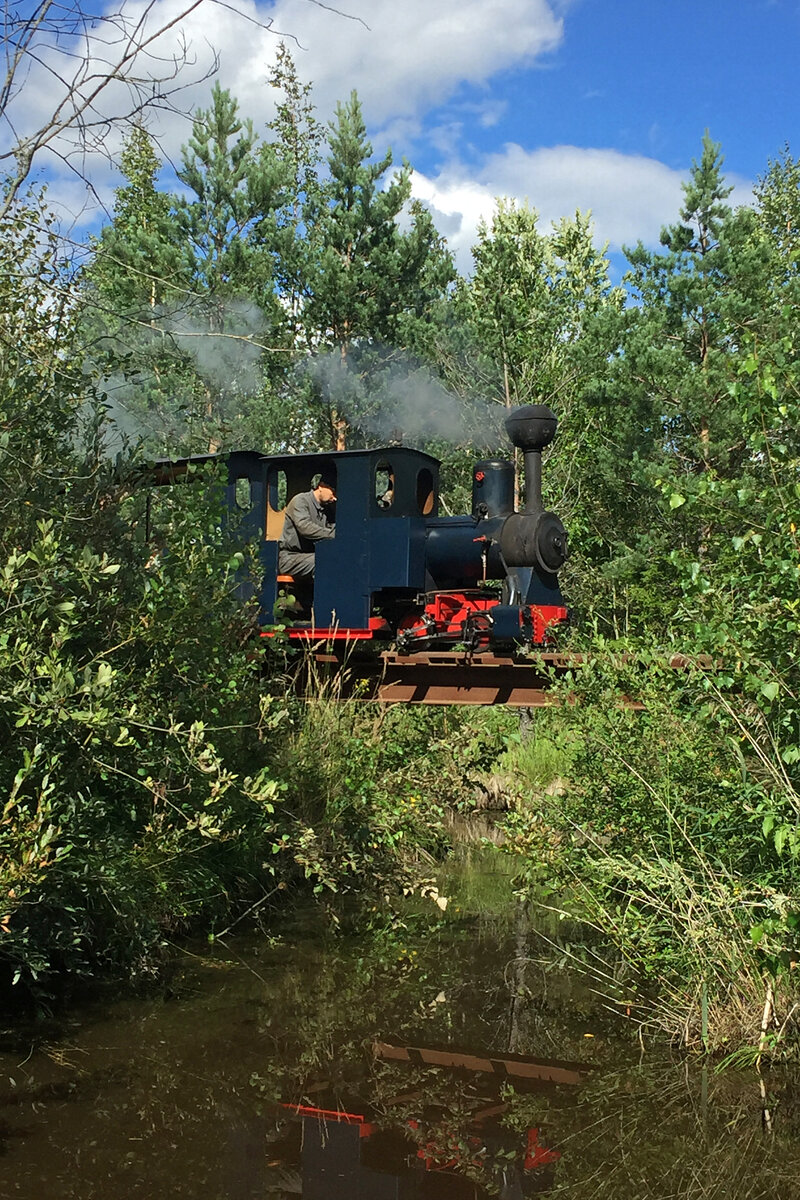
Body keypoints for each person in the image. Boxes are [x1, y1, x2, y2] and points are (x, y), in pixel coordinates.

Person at [278, 473, 336, 578]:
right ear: (321, 486)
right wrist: (333, 534)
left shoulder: (327, 510)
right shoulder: (300, 501)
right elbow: (305, 527)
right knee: (323, 561)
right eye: (333, 492)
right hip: (290, 557)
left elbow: (332, 527)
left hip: (310, 555)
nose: (335, 498)